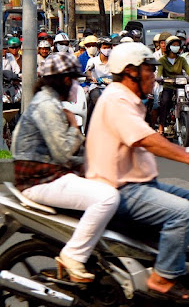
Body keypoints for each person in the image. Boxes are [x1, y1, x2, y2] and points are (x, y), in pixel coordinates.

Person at [85, 43, 189, 301]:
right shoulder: (116, 100)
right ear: (131, 72)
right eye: (148, 70)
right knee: (182, 212)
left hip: (138, 184)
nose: (153, 76)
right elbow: (146, 139)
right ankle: (163, 277)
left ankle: (160, 256)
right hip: (119, 189)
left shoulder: (128, 99)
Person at [12, 53, 120, 283]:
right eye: (73, 80)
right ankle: (73, 255)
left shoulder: (49, 102)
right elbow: (64, 152)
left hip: (49, 174)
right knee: (107, 198)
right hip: (40, 180)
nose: (75, 86)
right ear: (63, 80)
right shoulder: (47, 106)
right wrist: (74, 127)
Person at [157, 36, 189, 135]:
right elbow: (159, 74)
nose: (176, 47)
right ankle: (161, 126)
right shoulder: (162, 60)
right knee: (165, 102)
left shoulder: (181, 60)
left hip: (180, 87)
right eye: (174, 45)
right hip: (168, 86)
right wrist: (160, 78)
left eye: (178, 45)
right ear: (169, 47)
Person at [85, 38, 113, 126]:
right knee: (95, 98)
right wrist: (91, 78)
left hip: (112, 88)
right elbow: (88, 72)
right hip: (96, 87)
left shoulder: (114, 61)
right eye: (105, 47)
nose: (107, 50)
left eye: (109, 47)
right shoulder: (93, 61)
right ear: (99, 49)